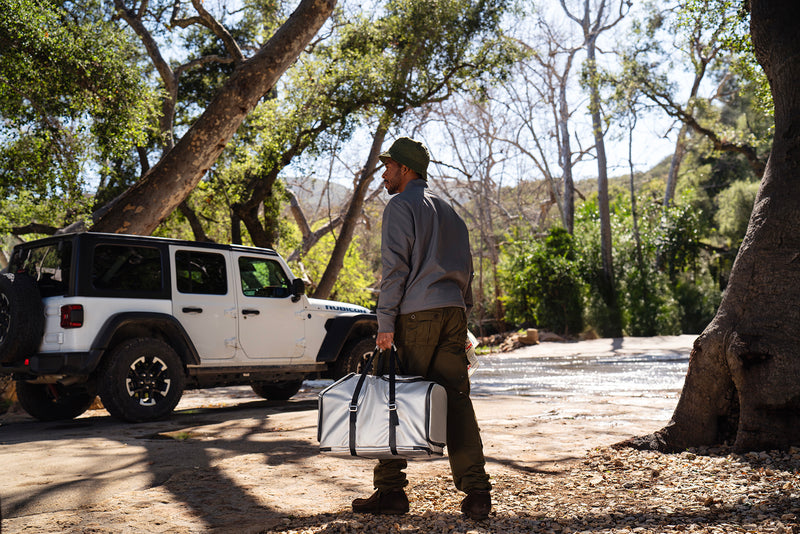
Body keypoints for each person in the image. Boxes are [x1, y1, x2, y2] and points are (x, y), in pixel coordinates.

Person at [351, 137, 492, 520]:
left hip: (416, 316)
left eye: (388, 167)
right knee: (457, 402)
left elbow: (395, 268)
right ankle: (478, 493)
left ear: (406, 169)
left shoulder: (401, 205)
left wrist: (385, 322)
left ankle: (391, 492)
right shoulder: (451, 213)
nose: (384, 174)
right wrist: (461, 316)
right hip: (453, 312)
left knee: (391, 397)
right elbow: (468, 272)